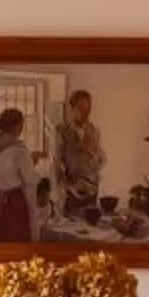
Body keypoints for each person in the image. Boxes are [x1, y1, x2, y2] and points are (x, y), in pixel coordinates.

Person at [0, 107, 35, 242]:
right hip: (14, 201)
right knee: (15, 242)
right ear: (17, 126)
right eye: (21, 124)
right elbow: (29, 178)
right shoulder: (19, 149)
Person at [53, 90, 104, 219]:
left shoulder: (94, 131)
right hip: (72, 192)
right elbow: (56, 164)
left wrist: (92, 151)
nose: (86, 112)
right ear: (72, 109)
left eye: (88, 108)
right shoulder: (62, 132)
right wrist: (69, 187)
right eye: (81, 108)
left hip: (92, 191)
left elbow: (101, 162)